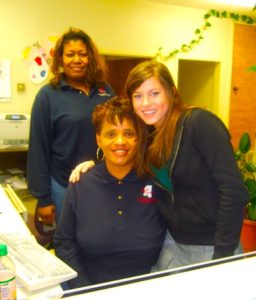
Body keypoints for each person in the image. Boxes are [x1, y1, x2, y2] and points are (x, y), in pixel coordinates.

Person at [70, 60, 249, 269]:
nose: (146, 103)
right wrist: (95, 162)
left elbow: (234, 190)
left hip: (211, 244)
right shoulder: (150, 133)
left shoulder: (199, 123)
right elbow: (126, 153)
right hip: (173, 241)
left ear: (171, 93)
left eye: (154, 93)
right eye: (138, 96)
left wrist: (223, 255)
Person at [54, 96, 167, 288]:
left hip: (151, 287)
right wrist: (85, 289)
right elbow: (64, 242)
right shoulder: (81, 183)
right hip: (91, 288)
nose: (120, 141)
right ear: (98, 139)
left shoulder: (157, 182)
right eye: (111, 134)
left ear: (139, 139)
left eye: (129, 134)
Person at [27, 27, 115, 225]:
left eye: (83, 54)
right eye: (70, 54)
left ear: (91, 58)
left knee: (99, 236)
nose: (77, 59)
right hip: (62, 185)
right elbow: (38, 149)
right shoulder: (48, 95)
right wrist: (43, 197)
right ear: (60, 58)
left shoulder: (106, 91)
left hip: (103, 181)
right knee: (66, 241)